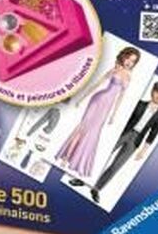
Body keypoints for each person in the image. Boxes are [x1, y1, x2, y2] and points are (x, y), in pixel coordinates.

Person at [57, 46, 140, 182]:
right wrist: (82, 98)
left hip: (107, 107)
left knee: (94, 132)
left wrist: (114, 114)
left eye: (133, 61)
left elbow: (121, 96)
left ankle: (78, 161)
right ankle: (66, 157)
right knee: (83, 127)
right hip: (97, 100)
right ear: (124, 57)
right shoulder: (114, 70)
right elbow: (97, 84)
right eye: (128, 59)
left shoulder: (129, 77)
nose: (129, 62)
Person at [89, 81, 158, 204]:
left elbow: (153, 134)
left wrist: (143, 151)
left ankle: (96, 188)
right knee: (102, 156)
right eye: (157, 91)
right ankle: (83, 179)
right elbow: (125, 117)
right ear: (153, 91)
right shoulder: (139, 103)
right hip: (123, 133)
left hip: (135, 140)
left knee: (116, 166)